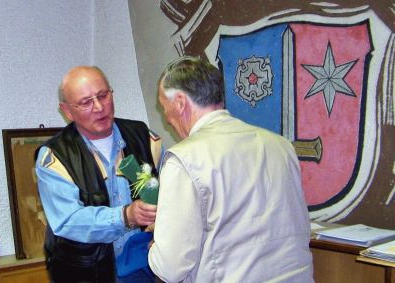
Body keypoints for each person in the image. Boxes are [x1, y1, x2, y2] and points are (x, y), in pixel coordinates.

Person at [148, 56, 314, 282]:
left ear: (179, 102)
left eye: (166, 110)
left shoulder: (184, 159)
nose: (168, 119)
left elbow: (170, 268)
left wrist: (156, 248)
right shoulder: (281, 146)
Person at [35, 65, 160, 283]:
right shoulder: (54, 157)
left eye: (103, 95)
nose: (99, 106)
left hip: (143, 269)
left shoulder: (144, 136)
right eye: (85, 102)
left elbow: (170, 194)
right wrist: (125, 216)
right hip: (86, 273)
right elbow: (68, 220)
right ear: (67, 111)